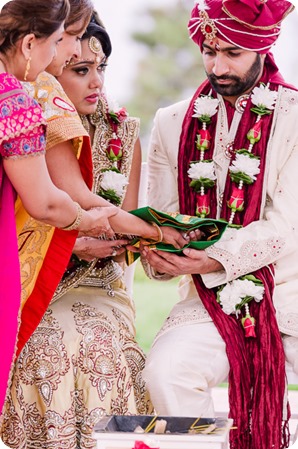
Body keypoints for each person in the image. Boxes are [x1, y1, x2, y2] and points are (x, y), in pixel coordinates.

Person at [141, 1, 298, 448]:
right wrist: (163, 254)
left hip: (289, 291)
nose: (217, 66)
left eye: (232, 53)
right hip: (208, 304)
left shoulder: (295, 116)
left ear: (262, 49)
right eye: (209, 52)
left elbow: (287, 223)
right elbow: (162, 216)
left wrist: (211, 259)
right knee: (166, 371)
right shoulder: (171, 122)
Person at [1, 20, 153, 449]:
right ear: (51, 66)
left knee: (98, 346)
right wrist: (70, 243)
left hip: (99, 287)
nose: (97, 82)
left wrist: (140, 237)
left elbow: (127, 233)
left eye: (102, 68)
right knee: (48, 345)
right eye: (81, 69)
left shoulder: (125, 132)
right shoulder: (29, 125)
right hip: (34, 283)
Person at [0, 0, 116, 426]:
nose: (59, 58)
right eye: (56, 45)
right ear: (30, 43)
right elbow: (46, 202)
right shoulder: (13, 101)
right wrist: (88, 220)